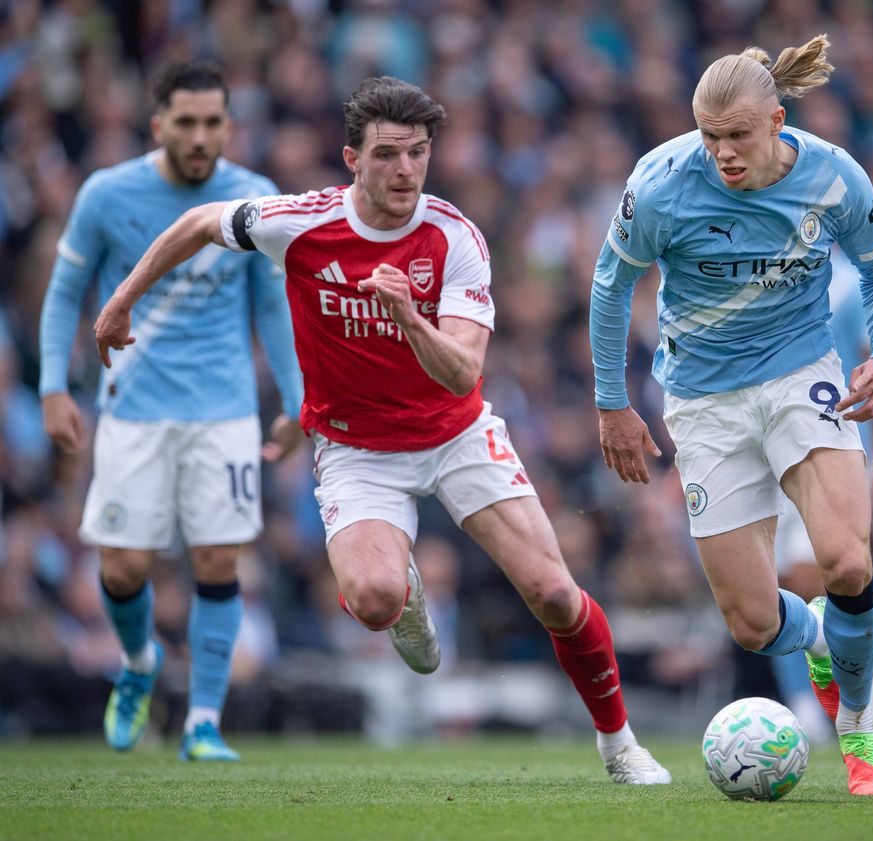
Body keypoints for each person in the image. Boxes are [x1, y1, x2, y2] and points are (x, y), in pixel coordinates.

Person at [94, 76, 671, 784]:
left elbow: (462, 373)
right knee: (372, 600)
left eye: (418, 153)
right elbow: (195, 224)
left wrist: (407, 316)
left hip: (456, 435)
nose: (406, 170)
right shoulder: (298, 222)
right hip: (357, 448)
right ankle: (406, 599)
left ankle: (620, 746)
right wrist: (123, 300)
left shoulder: (454, 236)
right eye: (389, 154)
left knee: (553, 592)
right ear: (352, 160)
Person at [589, 36, 873, 795]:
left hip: (804, 374)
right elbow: (611, 287)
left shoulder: (832, 175)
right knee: (755, 624)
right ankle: (823, 644)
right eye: (710, 137)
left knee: (848, 562)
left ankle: (858, 725)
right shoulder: (661, 185)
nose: (723, 154)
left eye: (737, 137)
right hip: (703, 399)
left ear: (776, 120)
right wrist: (612, 403)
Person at [39, 61, 304, 761]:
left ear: (228, 125)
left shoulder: (254, 197)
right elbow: (66, 292)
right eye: (185, 122)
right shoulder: (108, 193)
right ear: (158, 126)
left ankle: (204, 722)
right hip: (133, 408)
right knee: (123, 569)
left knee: (219, 560)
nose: (199, 135)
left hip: (224, 410)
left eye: (212, 122)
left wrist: (298, 398)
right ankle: (138, 663)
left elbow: (273, 307)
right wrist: (52, 387)